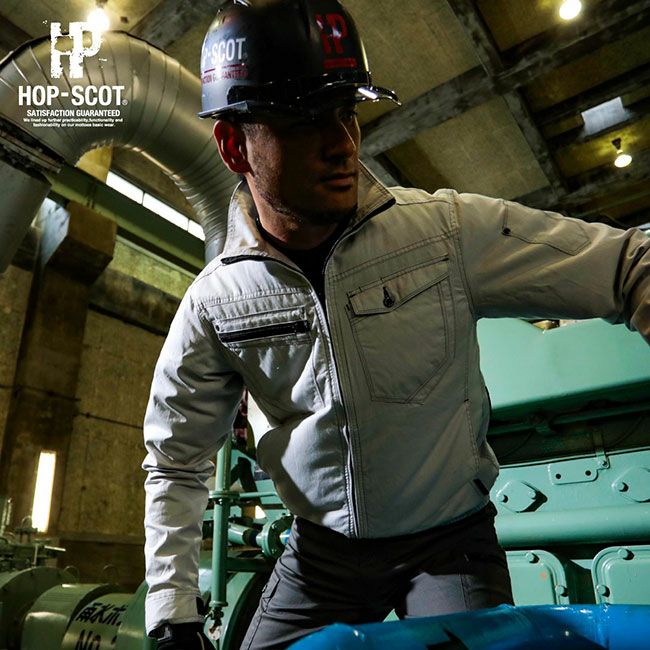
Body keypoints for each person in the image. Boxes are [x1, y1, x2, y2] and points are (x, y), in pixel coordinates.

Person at [142, 1, 650, 648]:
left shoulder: (443, 234)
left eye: (347, 112)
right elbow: (176, 461)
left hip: (449, 545)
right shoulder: (215, 304)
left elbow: (628, 265)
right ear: (233, 145)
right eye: (305, 120)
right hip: (320, 556)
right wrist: (172, 611)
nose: (343, 144)